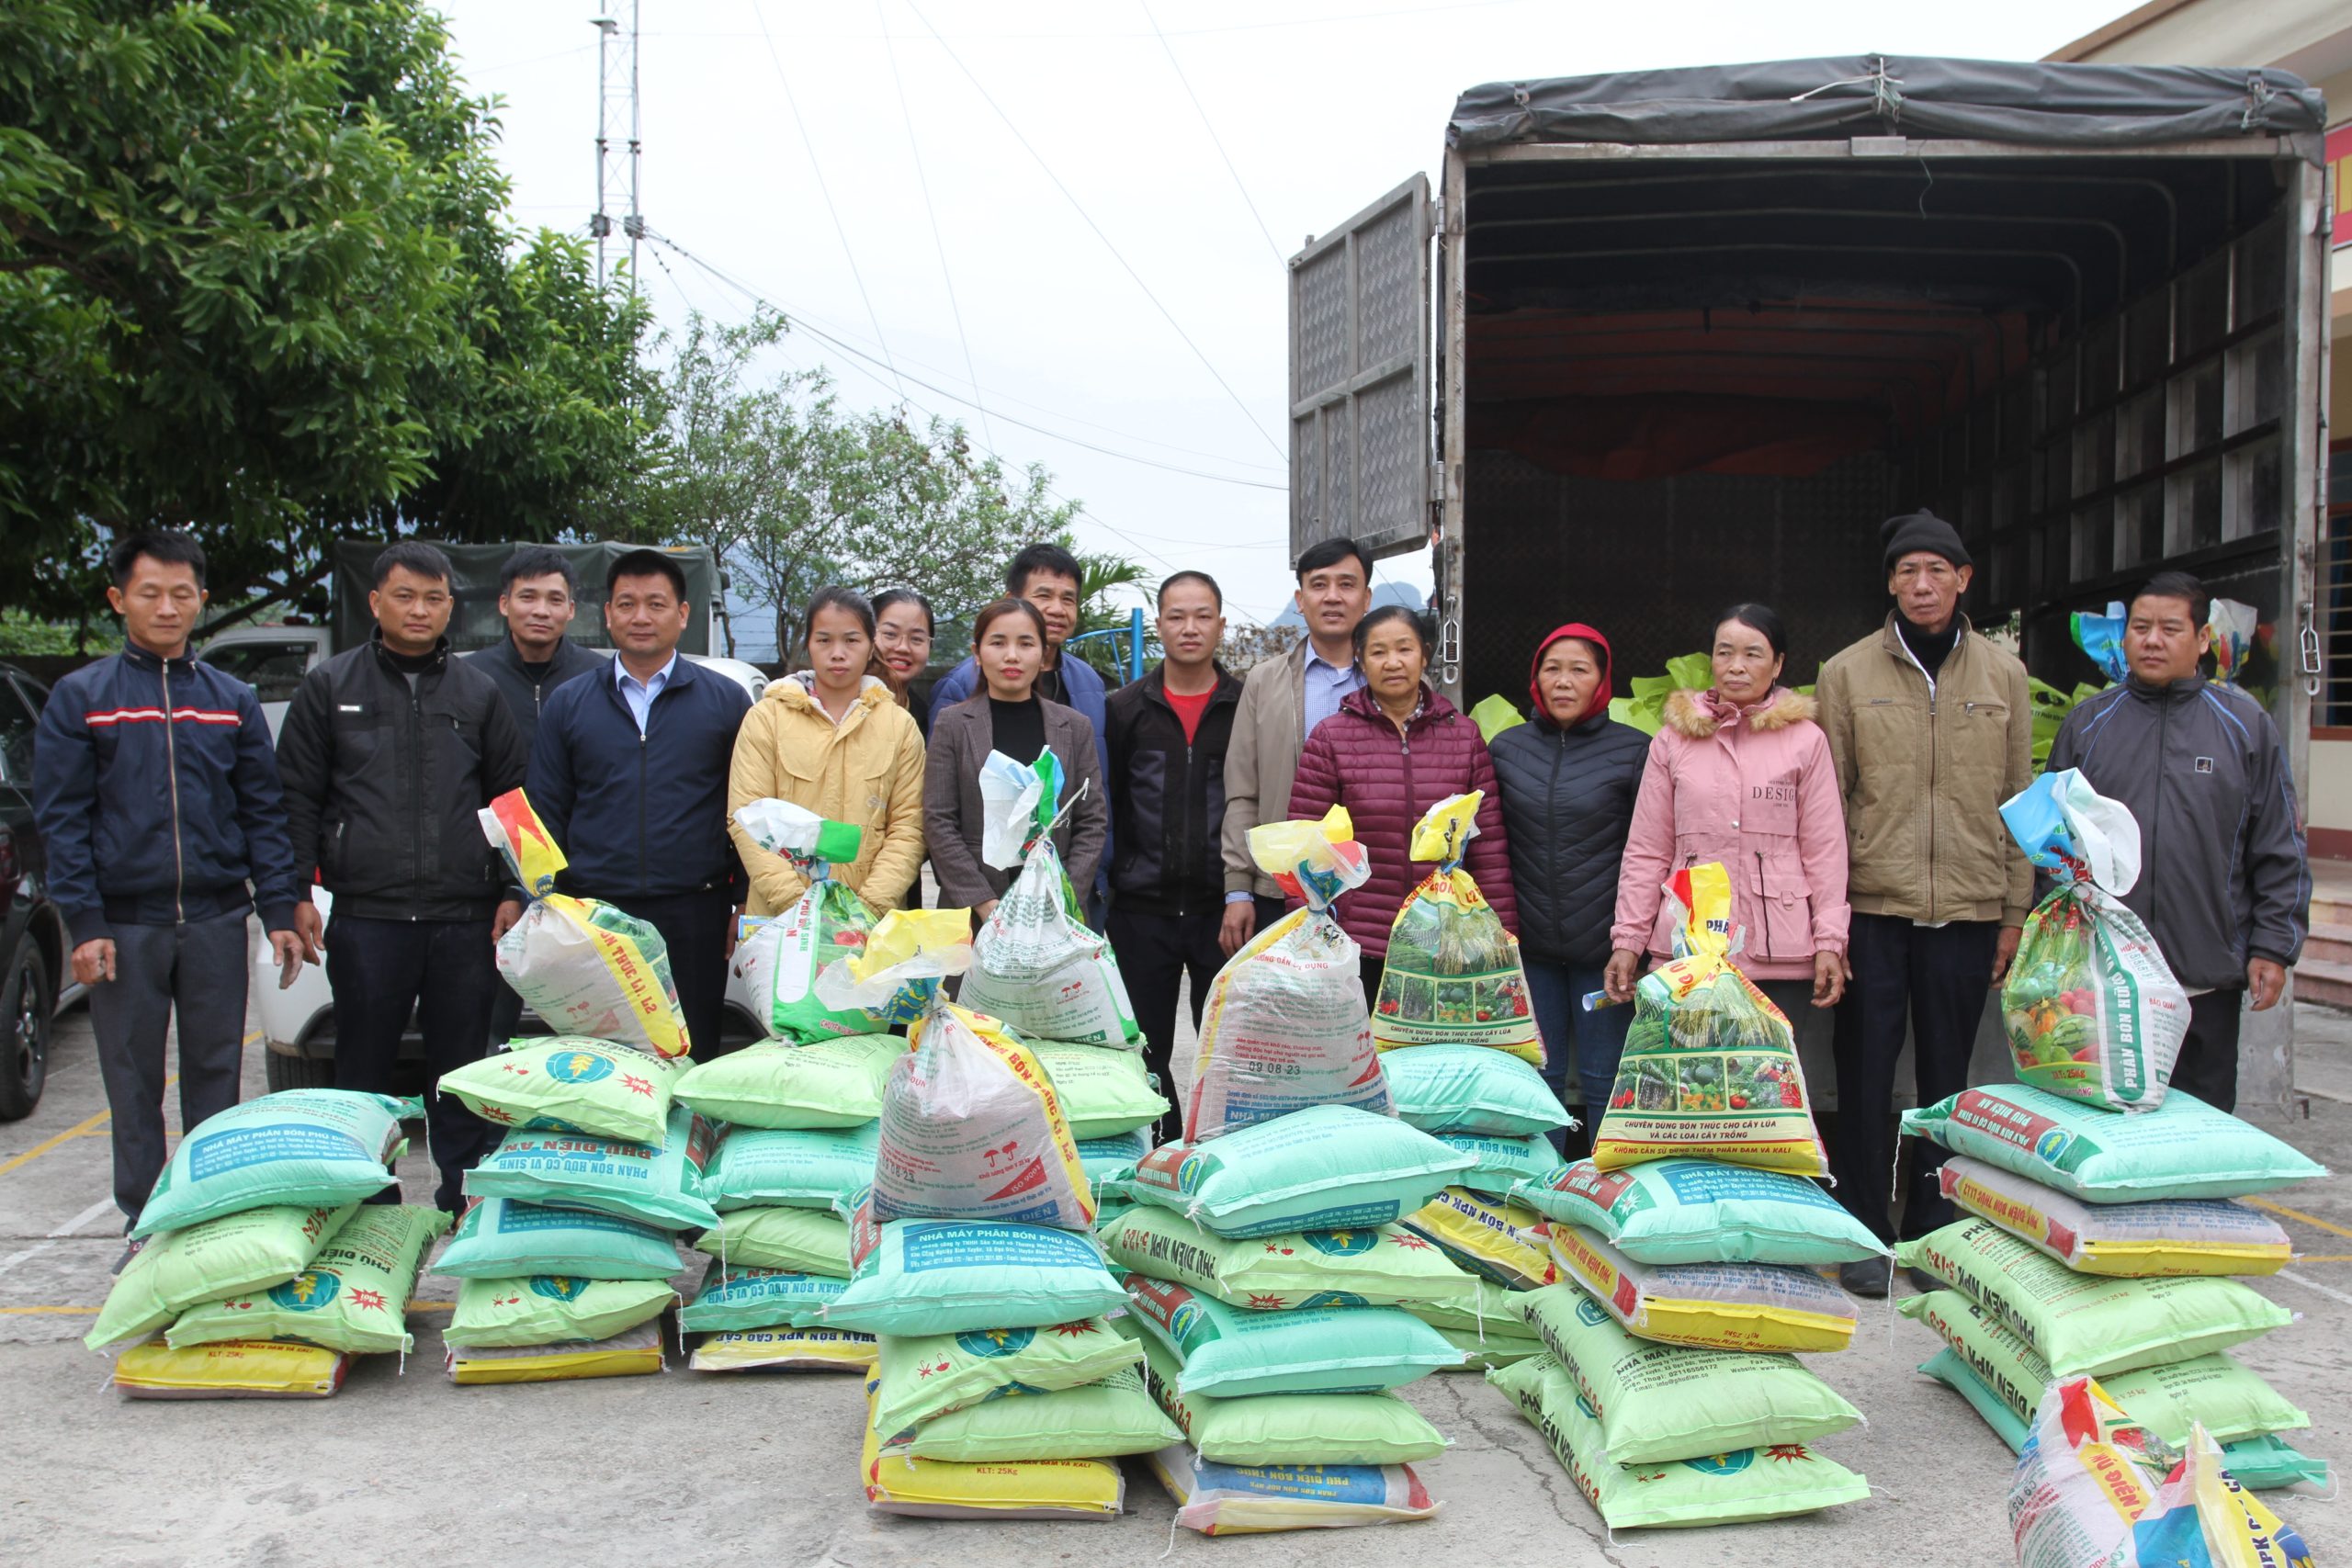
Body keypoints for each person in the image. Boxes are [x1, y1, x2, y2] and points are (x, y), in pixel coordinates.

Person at [32, 531, 305, 1250]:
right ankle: (146, 1224)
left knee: (216, 1075)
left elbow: (262, 812)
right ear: (119, 599)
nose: (166, 606)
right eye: (150, 592)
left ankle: (210, 1216)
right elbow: (63, 819)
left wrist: (277, 907)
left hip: (217, 915)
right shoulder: (82, 699)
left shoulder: (230, 699)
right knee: (132, 1080)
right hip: (124, 925)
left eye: (182, 593)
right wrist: (84, 922)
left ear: (202, 602)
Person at [1815, 510, 2034, 1293]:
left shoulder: (2004, 675)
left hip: (1969, 909)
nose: (1922, 584)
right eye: (1907, 570)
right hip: (1874, 906)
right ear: (1890, 583)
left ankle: (1933, 1233)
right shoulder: (1846, 674)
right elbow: (1828, 804)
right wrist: (1828, 925)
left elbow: (2019, 801)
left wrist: (2014, 912)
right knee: (1867, 1075)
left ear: (1964, 578)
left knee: (1947, 1082)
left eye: (1937, 569)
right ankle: (1867, 1231)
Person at [276, 541, 528, 1212]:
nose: (420, 609)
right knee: (361, 1069)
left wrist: (512, 889)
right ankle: (367, 1203)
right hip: (367, 917)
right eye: (405, 595)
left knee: (459, 1071)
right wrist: (297, 890)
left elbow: (512, 801)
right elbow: (296, 797)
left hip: (464, 918)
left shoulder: (479, 693)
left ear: (452, 605)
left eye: (434, 597)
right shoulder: (331, 687)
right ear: (375, 602)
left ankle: (461, 1195)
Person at [2046, 570, 2308, 1114]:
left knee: (2202, 1128)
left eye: (2169, 628)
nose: (2152, 640)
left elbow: (2278, 846)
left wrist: (2272, 948)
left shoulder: (2244, 726)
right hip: (2105, 982)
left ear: (2203, 639)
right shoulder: (2089, 726)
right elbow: (2051, 845)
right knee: (2110, 1129)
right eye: (2140, 627)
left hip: (2206, 975)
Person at [513, 549, 753, 1059]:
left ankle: (689, 1139)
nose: (640, 617)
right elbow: (547, 810)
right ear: (607, 614)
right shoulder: (570, 702)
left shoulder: (725, 701)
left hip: (695, 909)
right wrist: (541, 899)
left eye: (656, 604)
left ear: (683, 615)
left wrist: (743, 898)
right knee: (602, 1057)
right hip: (596, 911)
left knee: (692, 1051)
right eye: (626, 604)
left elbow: (746, 809)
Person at [1606, 604, 1849, 1046]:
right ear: (1711, 660)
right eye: (1725, 653)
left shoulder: (1805, 741)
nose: (1736, 666)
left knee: (1769, 1091)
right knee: (1692, 1088)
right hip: (1688, 949)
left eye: (1753, 654)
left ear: (1778, 665)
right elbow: (1647, 849)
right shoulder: (1674, 740)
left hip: (1778, 949)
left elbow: (1825, 851)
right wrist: (1628, 939)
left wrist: (1830, 940)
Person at [1286, 605, 1517, 1009]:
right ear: (1360, 659)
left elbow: (1490, 846)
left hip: (1446, 936)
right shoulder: (1331, 737)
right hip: (1357, 939)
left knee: (1433, 1060)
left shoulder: (1463, 735)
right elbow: (1304, 842)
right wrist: (1309, 933)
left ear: (1424, 655)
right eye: (1377, 652)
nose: (1392, 662)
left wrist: (1503, 937)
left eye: (1404, 649)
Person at [1487, 624, 1648, 1155]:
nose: (1563, 681)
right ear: (1535, 677)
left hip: (1605, 955)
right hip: (1530, 950)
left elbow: (1650, 851)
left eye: (1579, 669)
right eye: (1552, 668)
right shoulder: (1506, 750)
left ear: (1602, 680)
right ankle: (1543, 1196)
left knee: (1606, 1080)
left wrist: (1632, 941)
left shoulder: (1634, 751)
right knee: (1541, 1081)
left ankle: (1604, 1196)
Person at [1103, 570, 1243, 1137]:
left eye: (1203, 616)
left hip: (1224, 913)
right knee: (1146, 1049)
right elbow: (1109, 802)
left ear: (1221, 625)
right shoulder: (1124, 708)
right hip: (1141, 911)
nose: (1190, 628)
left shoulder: (1244, 705)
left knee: (1224, 1050)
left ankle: (1217, 1152)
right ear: (1159, 623)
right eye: (1177, 616)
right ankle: (1157, 1156)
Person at [469, 545, 608, 1047]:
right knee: (487, 1022)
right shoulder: (471, 678)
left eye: (555, 599)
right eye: (528, 597)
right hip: (489, 877)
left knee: (590, 1019)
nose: (541, 610)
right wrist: (510, 885)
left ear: (572, 609)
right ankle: (485, 1124)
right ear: (504, 603)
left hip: (584, 875)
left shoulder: (599, 679)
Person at [927, 545, 1110, 916]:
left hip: (1055, 909)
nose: (1012, 655)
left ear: (1042, 654)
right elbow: (938, 820)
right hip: (974, 910)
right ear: (978, 653)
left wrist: (1059, 896)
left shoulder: (1074, 727)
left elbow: (1092, 821)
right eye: (998, 643)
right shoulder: (954, 723)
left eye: (1026, 644)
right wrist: (984, 902)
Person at [727, 587, 927, 916]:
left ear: (871, 644)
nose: (838, 653)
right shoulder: (767, 718)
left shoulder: (899, 726)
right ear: (809, 644)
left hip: (870, 922)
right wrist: (797, 907)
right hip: (782, 919)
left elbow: (909, 826)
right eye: (824, 640)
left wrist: (866, 908)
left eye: (851, 640)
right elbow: (748, 818)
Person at [1221, 536, 1374, 955]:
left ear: (1366, 598)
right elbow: (1242, 792)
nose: (1332, 597)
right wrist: (1238, 889)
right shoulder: (1263, 682)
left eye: (1346, 584)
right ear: (1300, 599)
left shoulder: (1394, 683)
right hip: (1282, 886)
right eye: (1319, 584)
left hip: (1374, 891)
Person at [869, 587, 937, 739]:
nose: (903, 648)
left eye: (917, 639)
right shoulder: (837, 704)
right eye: (890, 634)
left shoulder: (924, 718)